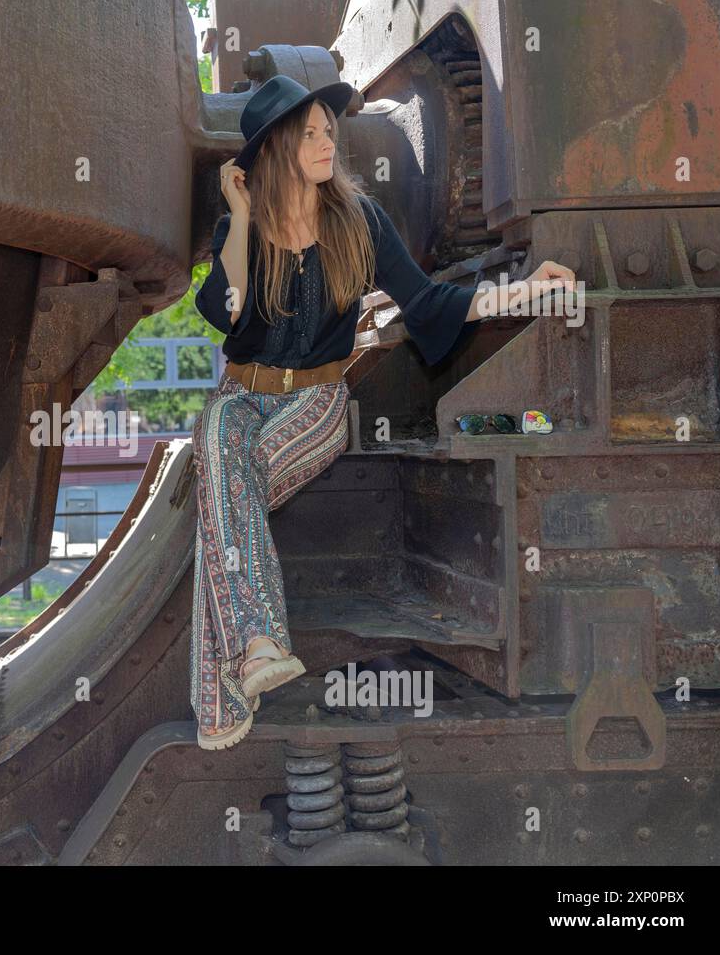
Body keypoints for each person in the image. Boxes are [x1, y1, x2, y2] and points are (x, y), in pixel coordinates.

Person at [190, 75, 574, 750]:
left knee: (223, 484)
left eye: (328, 128)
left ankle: (241, 667)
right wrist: (243, 218)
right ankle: (255, 652)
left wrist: (518, 293)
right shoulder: (237, 232)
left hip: (314, 403)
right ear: (275, 149)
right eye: (308, 131)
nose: (327, 139)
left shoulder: (359, 222)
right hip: (242, 395)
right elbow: (225, 313)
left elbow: (427, 305)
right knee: (220, 437)